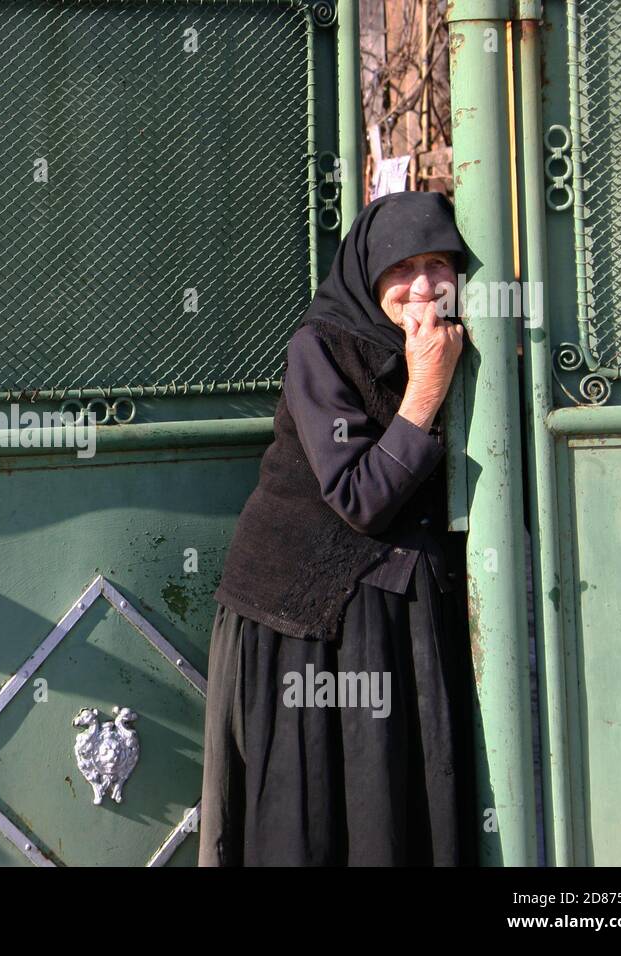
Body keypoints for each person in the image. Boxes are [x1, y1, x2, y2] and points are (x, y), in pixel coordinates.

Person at [199, 191, 477, 866]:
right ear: (366, 274)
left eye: (437, 263)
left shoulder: (468, 349)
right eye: (400, 268)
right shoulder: (319, 348)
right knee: (311, 821)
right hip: (303, 625)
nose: (420, 285)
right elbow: (359, 495)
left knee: (396, 819)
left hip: (393, 621)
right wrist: (423, 394)